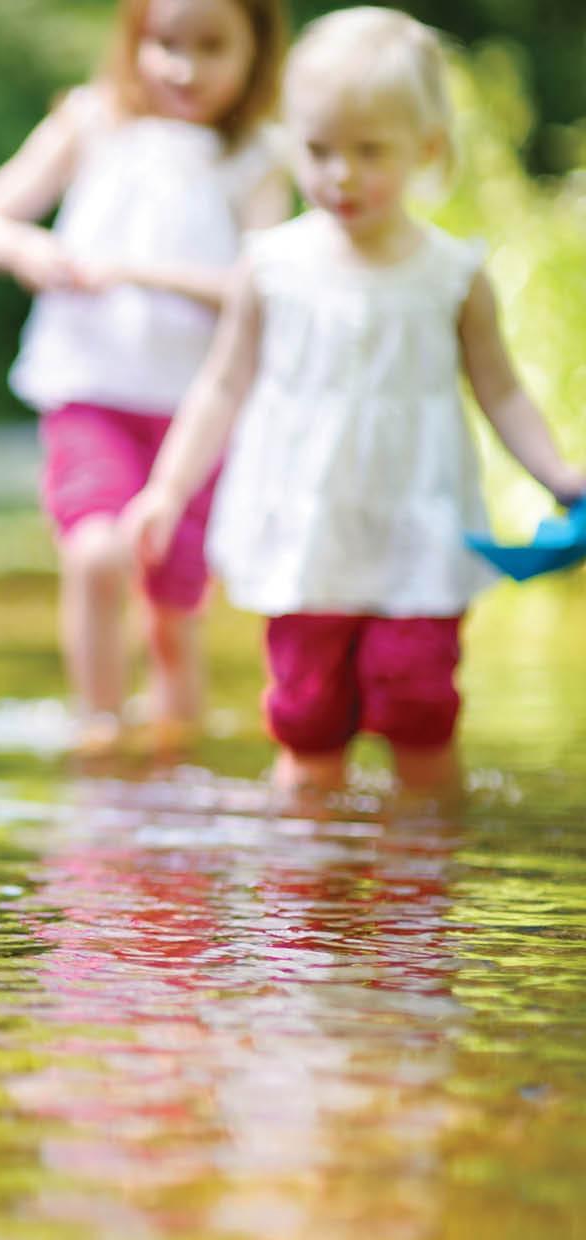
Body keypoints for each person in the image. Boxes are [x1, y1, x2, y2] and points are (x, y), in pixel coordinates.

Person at [121, 7, 586, 793]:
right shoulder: (271, 267)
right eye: (319, 150)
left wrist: (559, 474)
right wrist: (167, 490)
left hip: (418, 532)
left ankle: (420, 897)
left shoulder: (452, 274)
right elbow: (223, 384)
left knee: (421, 709)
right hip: (310, 540)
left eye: (369, 153)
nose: (339, 174)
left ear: (426, 149)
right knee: (306, 723)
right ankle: (304, 901)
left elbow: (499, 389)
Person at [0, 0, 290, 757]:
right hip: (90, 393)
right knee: (97, 553)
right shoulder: (89, 122)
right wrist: (26, 250)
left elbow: (263, 286)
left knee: (174, 601)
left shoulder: (258, 156)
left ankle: (173, 758)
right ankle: (99, 733)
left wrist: (143, 272)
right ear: (134, 39)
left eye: (211, 46)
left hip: (196, 413)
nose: (184, 67)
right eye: (165, 44)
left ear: (256, 52)